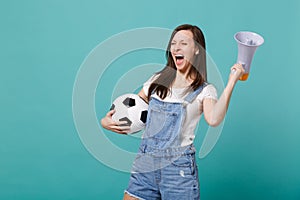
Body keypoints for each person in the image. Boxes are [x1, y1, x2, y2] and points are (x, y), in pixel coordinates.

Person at [101, 24, 244, 200]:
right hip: (145, 164)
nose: (176, 47)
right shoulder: (156, 80)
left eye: (183, 43)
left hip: (178, 170)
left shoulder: (205, 90)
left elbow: (213, 119)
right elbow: (132, 111)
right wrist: (107, 121)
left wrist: (231, 82)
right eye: (173, 43)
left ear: (197, 49)